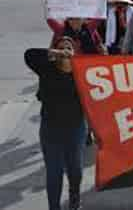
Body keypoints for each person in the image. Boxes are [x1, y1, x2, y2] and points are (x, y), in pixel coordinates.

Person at [24, 37, 87, 210]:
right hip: (51, 130)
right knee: (54, 172)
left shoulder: (82, 72)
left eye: (69, 47)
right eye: (61, 47)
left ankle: (74, 199)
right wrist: (56, 53)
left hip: (76, 129)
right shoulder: (46, 69)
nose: (65, 49)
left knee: (75, 170)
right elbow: (29, 55)